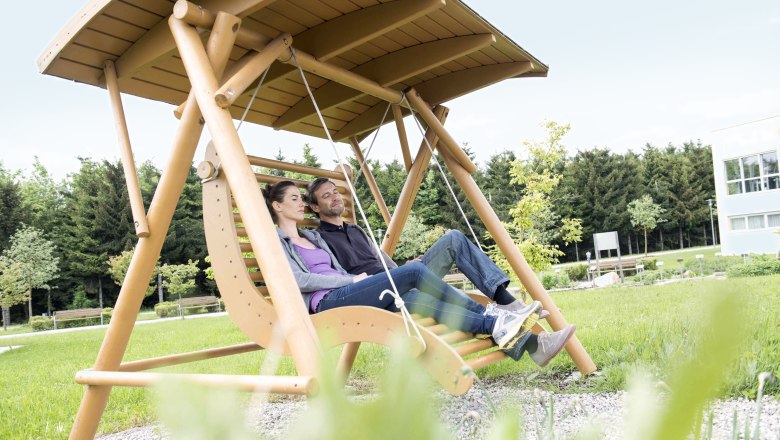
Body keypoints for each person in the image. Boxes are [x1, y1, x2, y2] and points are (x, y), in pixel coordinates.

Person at [264, 180, 575, 366]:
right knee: (413, 289)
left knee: (450, 240)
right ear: (314, 207)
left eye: (337, 192)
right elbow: (322, 277)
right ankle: (526, 339)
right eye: (326, 196)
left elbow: (381, 261)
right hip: (367, 291)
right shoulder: (318, 236)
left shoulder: (348, 231)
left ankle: (506, 306)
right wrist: (366, 280)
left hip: (394, 280)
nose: (336, 198)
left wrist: (408, 268)